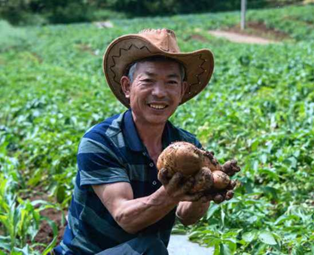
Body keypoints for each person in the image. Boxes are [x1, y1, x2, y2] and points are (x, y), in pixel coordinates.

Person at [53, 28, 239, 255]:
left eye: (171, 83)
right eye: (148, 80)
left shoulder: (187, 144)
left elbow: (186, 216)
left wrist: (204, 192)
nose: (159, 92)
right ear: (127, 87)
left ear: (182, 91)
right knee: (149, 247)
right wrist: (170, 193)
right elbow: (125, 218)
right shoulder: (101, 141)